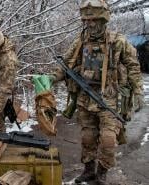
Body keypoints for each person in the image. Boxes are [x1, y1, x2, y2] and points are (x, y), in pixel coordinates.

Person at [50, 0, 144, 184]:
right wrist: (51, 79)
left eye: (94, 20)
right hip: (85, 98)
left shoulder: (117, 41)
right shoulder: (81, 41)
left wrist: (138, 90)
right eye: (87, 21)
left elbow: (133, 66)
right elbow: (66, 64)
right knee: (87, 137)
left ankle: (102, 173)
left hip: (109, 99)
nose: (90, 25)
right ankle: (88, 170)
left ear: (104, 21)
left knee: (108, 140)